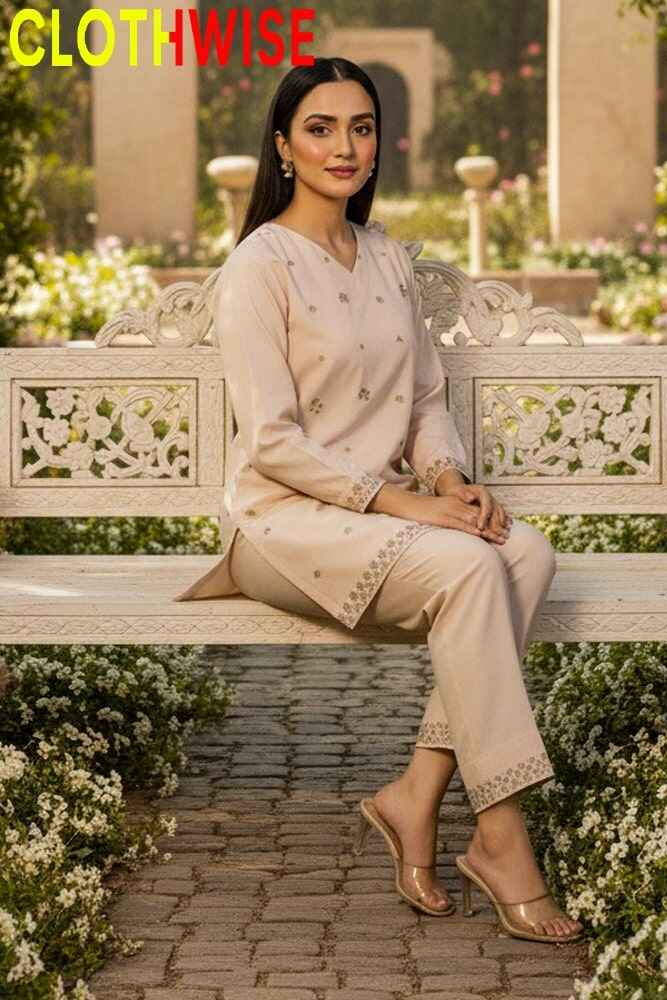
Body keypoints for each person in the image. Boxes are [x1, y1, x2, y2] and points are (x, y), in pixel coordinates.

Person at [173, 56, 583, 943]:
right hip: (281, 525)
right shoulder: (259, 266)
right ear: (283, 146)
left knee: (526, 551)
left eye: (361, 127)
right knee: (475, 569)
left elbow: (427, 400)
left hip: (387, 511)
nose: (344, 146)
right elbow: (272, 441)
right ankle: (503, 833)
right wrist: (404, 507)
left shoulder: (389, 256)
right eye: (321, 128)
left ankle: (415, 794)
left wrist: (446, 481)